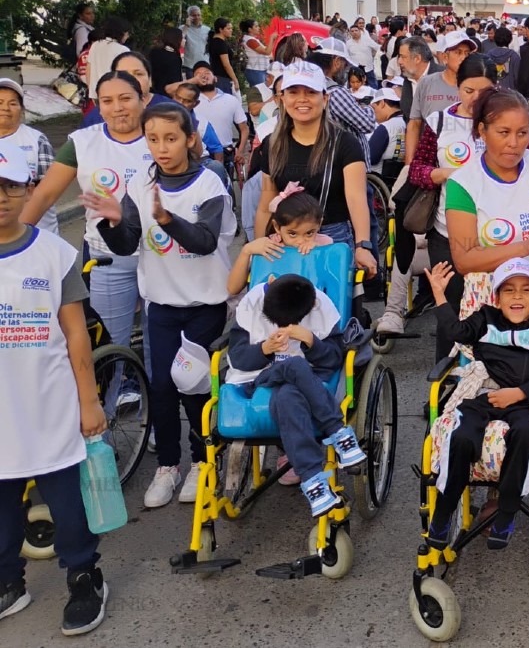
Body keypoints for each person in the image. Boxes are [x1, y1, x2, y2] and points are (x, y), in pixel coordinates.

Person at [82, 102, 235, 508]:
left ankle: (203, 460)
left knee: (192, 382)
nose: (162, 148)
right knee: (162, 386)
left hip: (205, 304)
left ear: (190, 139)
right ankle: (169, 465)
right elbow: (127, 245)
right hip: (162, 305)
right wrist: (113, 221)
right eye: (153, 139)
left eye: (171, 138)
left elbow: (204, 242)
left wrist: (167, 219)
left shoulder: (209, 184)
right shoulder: (141, 185)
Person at [0, 155, 110, 636]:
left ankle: (84, 577)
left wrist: (89, 401)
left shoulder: (54, 254)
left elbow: (76, 334)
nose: (1, 198)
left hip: (49, 405)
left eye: (10, 186)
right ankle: (9, 582)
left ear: (28, 189)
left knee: (68, 504)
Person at [423, 258, 529, 550]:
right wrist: (439, 294)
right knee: (462, 435)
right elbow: (457, 332)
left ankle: (507, 512)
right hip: (483, 395)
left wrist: (519, 393)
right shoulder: (485, 318)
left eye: (526, 290)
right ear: (497, 298)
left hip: (522, 401)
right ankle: (444, 509)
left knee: (526, 432)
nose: (517, 296)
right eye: (509, 290)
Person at [21, 73, 153, 369]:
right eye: (107, 101)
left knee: (159, 343)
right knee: (110, 347)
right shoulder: (82, 143)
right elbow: (43, 196)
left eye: (125, 98)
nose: (117, 107)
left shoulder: (161, 133)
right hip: (109, 258)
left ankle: (156, 396)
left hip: (162, 254)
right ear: (98, 105)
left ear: (143, 99)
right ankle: (116, 394)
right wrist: (11, 244)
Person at [225, 268, 367, 515]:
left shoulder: (320, 306)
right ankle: (337, 430)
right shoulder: (252, 304)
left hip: (305, 382)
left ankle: (313, 481)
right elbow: (237, 358)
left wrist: (311, 341)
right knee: (294, 364)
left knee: (288, 397)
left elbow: (334, 359)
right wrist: (265, 349)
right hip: (260, 376)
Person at [401, 54, 500, 354]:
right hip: (447, 233)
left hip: (499, 233)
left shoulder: (506, 120)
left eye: (485, 92)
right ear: (457, 87)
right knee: (450, 306)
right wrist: (443, 174)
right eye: (468, 90)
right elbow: (417, 170)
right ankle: (445, 374)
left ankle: (493, 371)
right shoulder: (440, 122)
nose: (476, 99)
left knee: (496, 306)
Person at [444, 87, 529, 280]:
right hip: (492, 292)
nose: (514, 143)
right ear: (482, 131)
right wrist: (524, 248)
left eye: (522, 133)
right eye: (504, 132)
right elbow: (464, 260)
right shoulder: (462, 183)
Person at [252, 62, 377, 277]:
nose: (302, 99)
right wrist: (259, 248)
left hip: (333, 239)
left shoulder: (345, 143)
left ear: (325, 98)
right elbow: (266, 204)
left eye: (311, 92)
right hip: (285, 241)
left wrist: (362, 245)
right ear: (282, 98)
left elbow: (356, 199)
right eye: (293, 92)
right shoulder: (272, 144)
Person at [405, 31, 472, 164]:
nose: (463, 58)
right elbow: (415, 124)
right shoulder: (426, 83)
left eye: (467, 53)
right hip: (429, 159)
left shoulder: (476, 88)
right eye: (458, 52)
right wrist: (409, 162)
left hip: (465, 160)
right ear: (445, 57)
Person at [0, 79, 57, 232]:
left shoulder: (37, 140)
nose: (5, 108)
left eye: (13, 103)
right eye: (0, 102)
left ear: (22, 109)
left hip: (38, 232)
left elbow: (48, 189)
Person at [190, 61, 249, 166]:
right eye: (198, 74)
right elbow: (170, 90)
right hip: (199, 155)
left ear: (215, 78)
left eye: (207, 73)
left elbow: (244, 129)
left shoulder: (231, 99)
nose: (203, 76)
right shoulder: (189, 101)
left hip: (226, 152)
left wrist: (240, 151)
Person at [83, 18, 131, 100]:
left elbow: (88, 69)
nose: (128, 36)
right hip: (113, 95)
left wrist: (90, 89)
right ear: (122, 33)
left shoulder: (95, 45)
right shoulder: (123, 50)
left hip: (95, 93)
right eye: (127, 33)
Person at [240, 19, 277, 88]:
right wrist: (271, 38)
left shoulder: (253, 39)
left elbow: (268, 51)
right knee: (260, 92)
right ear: (250, 29)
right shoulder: (250, 41)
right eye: (256, 26)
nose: (259, 28)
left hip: (259, 70)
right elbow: (267, 52)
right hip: (255, 71)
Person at [148, 28, 185, 97]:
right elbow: (175, 80)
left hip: (152, 91)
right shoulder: (174, 58)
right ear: (177, 39)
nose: (184, 40)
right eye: (183, 38)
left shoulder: (154, 51)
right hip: (166, 94)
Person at [207, 18, 239, 95]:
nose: (231, 30)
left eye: (231, 28)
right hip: (222, 78)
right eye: (228, 28)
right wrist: (235, 80)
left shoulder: (214, 41)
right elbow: (226, 64)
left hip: (217, 76)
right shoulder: (220, 43)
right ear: (221, 29)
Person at [345, 22, 381, 88]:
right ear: (350, 33)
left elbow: (377, 47)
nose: (354, 32)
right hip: (355, 69)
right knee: (355, 87)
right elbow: (347, 56)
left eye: (356, 30)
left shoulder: (367, 39)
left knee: (373, 86)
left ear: (360, 31)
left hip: (368, 68)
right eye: (352, 31)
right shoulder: (348, 43)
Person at [180, 5, 210, 78]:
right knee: (192, 85)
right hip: (190, 65)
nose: (197, 17)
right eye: (194, 15)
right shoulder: (183, 28)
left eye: (198, 15)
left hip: (204, 64)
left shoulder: (207, 29)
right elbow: (180, 42)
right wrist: (187, 26)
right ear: (189, 16)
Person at [489, 27, 521, 91]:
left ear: (495, 38)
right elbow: (517, 78)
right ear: (511, 40)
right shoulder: (514, 56)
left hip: (492, 91)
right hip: (510, 92)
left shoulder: (488, 55)